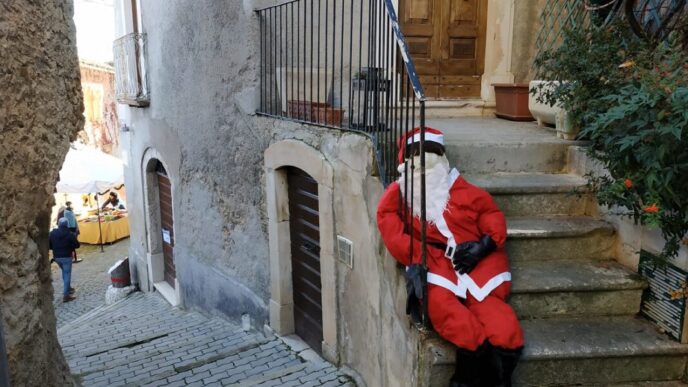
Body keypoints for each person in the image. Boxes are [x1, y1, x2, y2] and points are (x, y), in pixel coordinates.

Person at [377, 127, 524, 387]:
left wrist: (484, 245)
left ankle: (500, 379)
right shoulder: (401, 194)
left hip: (476, 264)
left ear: (442, 160)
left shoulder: (463, 189)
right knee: (447, 312)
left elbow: (490, 213)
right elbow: (387, 221)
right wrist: (415, 251)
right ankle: (466, 377)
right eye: (419, 162)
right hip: (435, 264)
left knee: (503, 326)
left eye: (431, 160)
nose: (425, 168)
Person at [49, 218, 79, 302]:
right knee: (67, 274)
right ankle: (66, 295)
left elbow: (49, 245)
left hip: (57, 257)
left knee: (64, 272)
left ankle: (68, 288)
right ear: (67, 225)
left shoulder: (52, 233)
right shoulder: (69, 234)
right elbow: (77, 245)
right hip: (66, 257)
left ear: (58, 224)